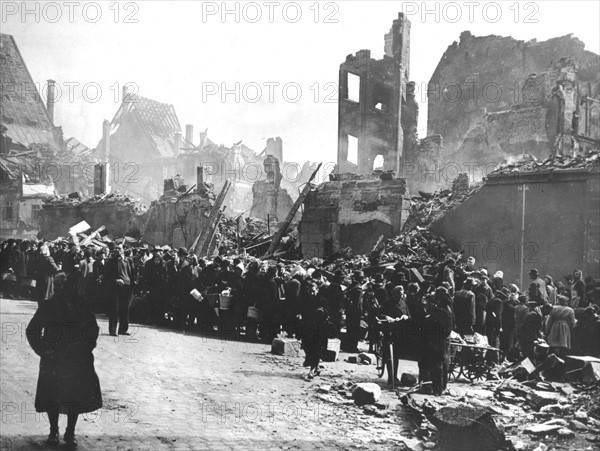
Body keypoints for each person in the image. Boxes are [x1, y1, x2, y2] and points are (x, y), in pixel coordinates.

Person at [26, 273, 102, 447]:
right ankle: (54, 430)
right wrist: (43, 350)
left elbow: (93, 329)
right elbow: (32, 330)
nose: (61, 290)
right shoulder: (48, 305)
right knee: (52, 394)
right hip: (54, 357)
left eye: (64, 287)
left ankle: (70, 432)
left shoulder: (83, 305)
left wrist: (86, 347)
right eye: (58, 286)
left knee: (74, 396)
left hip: (77, 357)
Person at [299, 280, 332, 379]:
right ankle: (316, 367)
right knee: (307, 346)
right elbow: (300, 310)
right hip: (307, 327)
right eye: (310, 291)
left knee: (316, 348)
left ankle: (312, 369)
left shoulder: (322, 300)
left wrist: (322, 311)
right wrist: (299, 315)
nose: (312, 293)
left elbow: (328, 312)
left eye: (313, 291)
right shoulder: (305, 300)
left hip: (319, 328)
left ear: (317, 290)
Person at [380, 285, 409, 385]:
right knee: (389, 354)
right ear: (394, 294)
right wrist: (387, 317)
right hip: (389, 330)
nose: (400, 296)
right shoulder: (387, 303)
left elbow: (408, 314)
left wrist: (405, 316)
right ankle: (391, 377)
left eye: (402, 295)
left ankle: (394, 376)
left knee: (396, 355)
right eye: (399, 294)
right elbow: (381, 314)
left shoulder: (403, 303)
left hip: (400, 331)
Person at [105, 245, 135, 336]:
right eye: (116, 248)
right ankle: (113, 330)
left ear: (123, 250)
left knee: (125, 308)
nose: (117, 250)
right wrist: (115, 280)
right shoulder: (111, 261)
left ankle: (123, 329)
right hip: (116, 288)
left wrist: (132, 284)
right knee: (115, 308)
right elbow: (107, 275)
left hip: (127, 288)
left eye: (119, 248)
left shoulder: (129, 260)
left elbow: (132, 273)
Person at [343, 270, 363, 352]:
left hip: (349, 311)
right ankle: (353, 347)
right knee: (355, 330)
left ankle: (349, 346)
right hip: (356, 312)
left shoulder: (350, 286)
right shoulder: (358, 288)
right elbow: (358, 302)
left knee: (350, 329)